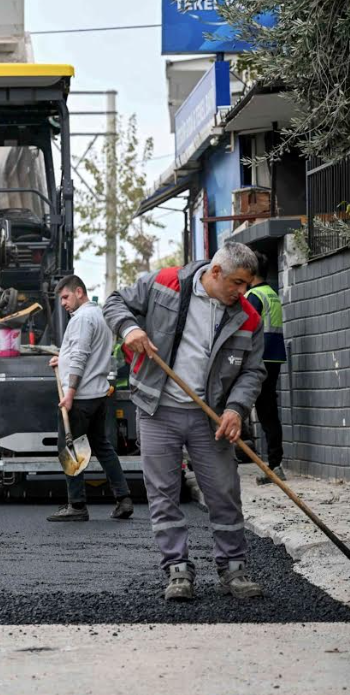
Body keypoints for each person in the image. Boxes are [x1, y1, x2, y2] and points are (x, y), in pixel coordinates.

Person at [104, 243, 266, 602]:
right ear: (215, 272)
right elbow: (114, 302)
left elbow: (253, 370)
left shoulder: (247, 317)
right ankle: (177, 570)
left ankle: (234, 569)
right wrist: (129, 328)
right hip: (158, 409)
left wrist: (236, 409)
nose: (242, 292)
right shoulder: (164, 284)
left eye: (247, 284)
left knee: (224, 492)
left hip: (212, 417)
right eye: (237, 283)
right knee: (163, 493)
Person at [46, 275, 133, 522]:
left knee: (69, 447)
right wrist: (61, 359)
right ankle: (124, 498)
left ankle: (77, 505)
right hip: (98, 394)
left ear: (79, 292)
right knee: (103, 446)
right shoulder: (100, 315)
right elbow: (84, 352)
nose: (63, 303)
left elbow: (81, 356)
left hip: (80, 397)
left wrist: (70, 394)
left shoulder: (82, 319)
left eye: (65, 297)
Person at [245, 252, 287, 484]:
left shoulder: (253, 296)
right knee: (269, 411)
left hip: (259, 360)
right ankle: (275, 463)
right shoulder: (272, 293)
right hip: (274, 358)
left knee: (263, 411)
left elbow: (246, 329)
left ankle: (273, 465)